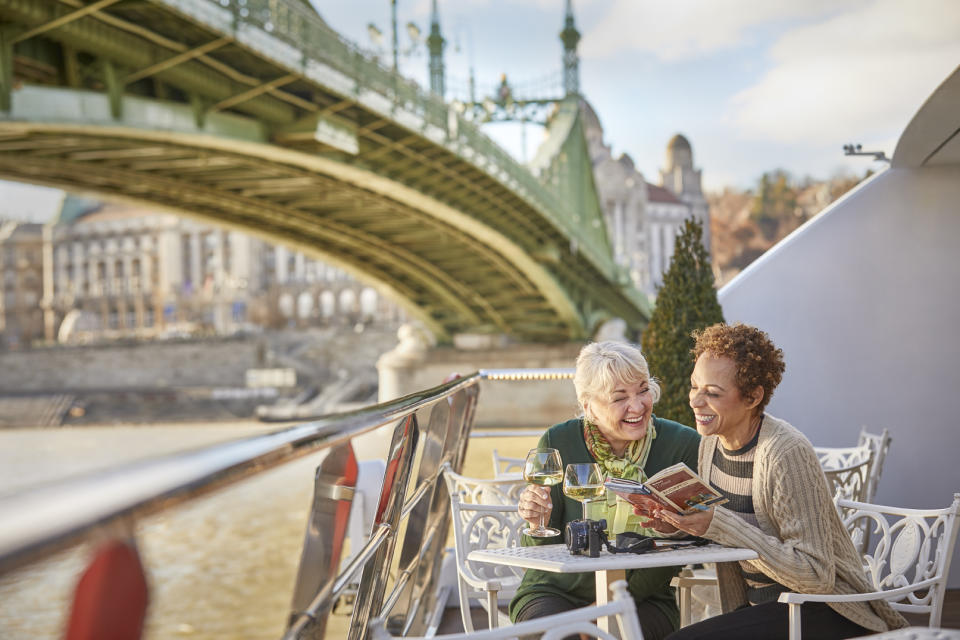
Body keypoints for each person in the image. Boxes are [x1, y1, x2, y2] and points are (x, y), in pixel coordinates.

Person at [633, 323, 907, 639]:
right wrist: (676, 523)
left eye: (713, 393)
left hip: (826, 608)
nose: (695, 401)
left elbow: (816, 575)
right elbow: (729, 535)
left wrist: (720, 524)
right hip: (763, 608)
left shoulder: (784, 452)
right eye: (695, 386)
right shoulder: (711, 444)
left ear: (752, 396)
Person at [509, 340, 701, 640]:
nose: (637, 406)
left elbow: (683, 543)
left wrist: (607, 607)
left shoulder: (683, 445)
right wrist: (537, 524)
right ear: (589, 406)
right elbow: (544, 552)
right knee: (553, 635)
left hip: (644, 598)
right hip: (554, 591)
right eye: (619, 398)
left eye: (642, 389)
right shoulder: (559, 440)